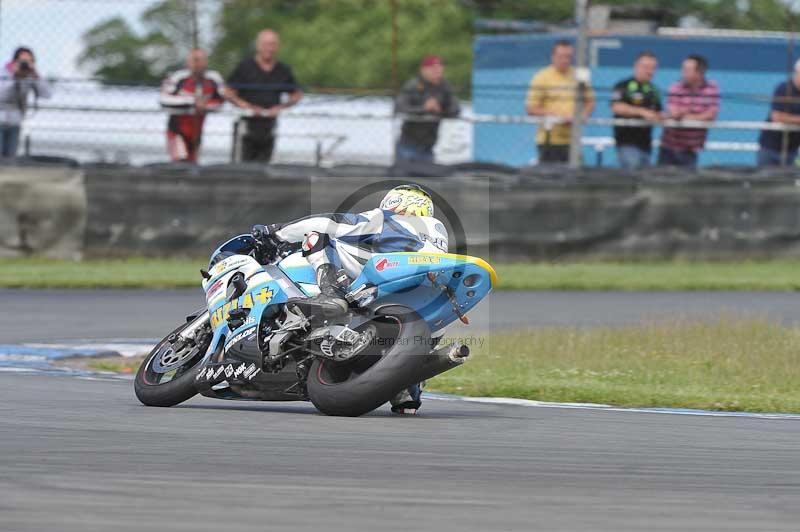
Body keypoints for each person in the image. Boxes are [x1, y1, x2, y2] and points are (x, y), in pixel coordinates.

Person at [259, 184, 448, 414]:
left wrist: (275, 232)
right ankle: (407, 390)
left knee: (318, 235)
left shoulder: (387, 218)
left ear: (394, 202)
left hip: (388, 275)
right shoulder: (438, 234)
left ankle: (331, 291)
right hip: (428, 297)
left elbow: (329, 222)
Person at [225, 29, 303, 163]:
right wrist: (245, 106)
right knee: (241, 167)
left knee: (264, 167)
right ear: (258, 46)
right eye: (266, 44)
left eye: (273, 44)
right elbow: (227, 91)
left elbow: (297, 94)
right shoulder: (245, 67)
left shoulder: (283, 70)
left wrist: (280, 107)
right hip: (247, 125)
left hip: (269, 127)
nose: (269, 48)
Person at [525, 40, 595, 164]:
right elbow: (531, 108)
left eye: (568, 57)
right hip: (549, 139)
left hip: (573, 139)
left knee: (575, 177)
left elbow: (590, 101)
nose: (565, 60)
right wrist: (558, 116)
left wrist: (582, 115)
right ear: (553, 57)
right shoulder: (541, 77)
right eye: (561, 56)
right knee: (551, 178)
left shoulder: (580, 75)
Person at [159, 49, 225, 163]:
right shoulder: (178, 78)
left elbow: (221, 101)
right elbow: (163, 99)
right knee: (180, 162)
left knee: (193, 164)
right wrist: (191, 101)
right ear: (188, 62)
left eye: (201, 60)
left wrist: (205, 106)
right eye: (194, 60)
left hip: (196, 133)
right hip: (177, 130)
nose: (198, 64)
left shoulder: (213, 79)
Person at [394, 55, 460, 163]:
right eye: (433, 68)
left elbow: (456, 110)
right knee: (404, 178)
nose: (437, 71)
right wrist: (423, 108)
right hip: (408, 145)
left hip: (428, 148)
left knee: (426, 179)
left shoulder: (445, 87)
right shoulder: (413, 85)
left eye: (440, 68)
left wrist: (440, 110)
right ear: (423, 70)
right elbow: (399, 107)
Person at [658, 54, 720, 168]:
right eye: (683, 69)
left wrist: (686, 116)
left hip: (690, 149)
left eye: (687, 70)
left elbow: (711, 115)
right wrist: (696, 115)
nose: (683, 72)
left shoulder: (712, 88)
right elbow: (673, 112)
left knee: (686, 181)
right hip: (669, 146)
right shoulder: (676, 87)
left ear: (699, 72)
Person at [610, 51, 663, 170]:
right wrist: (642, 112)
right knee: (632, 177)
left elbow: (658, 113)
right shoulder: (623, 85)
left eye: (653, 68)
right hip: (627, 143)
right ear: (636, 66)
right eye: (645, 67)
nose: (649, 71)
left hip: (646, 145)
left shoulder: (653, 90)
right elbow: (616, 107)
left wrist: (668, 115)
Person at [0, 47, 51, 157]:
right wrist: (14, 77)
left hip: (15, 121)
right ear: (14, 62)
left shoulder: (30, 76)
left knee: (10, 158)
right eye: (23, 61)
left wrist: (36, 75)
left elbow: (47, 94)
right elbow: (2, 94)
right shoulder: (3, 73)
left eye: (29, 61)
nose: (25, 65)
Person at [757, 59, 800, 166]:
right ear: (796, 73)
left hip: (791, 149)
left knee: (787, 181)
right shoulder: (783, 88)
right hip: (771, 147)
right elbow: (777, 117)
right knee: (766, 180)